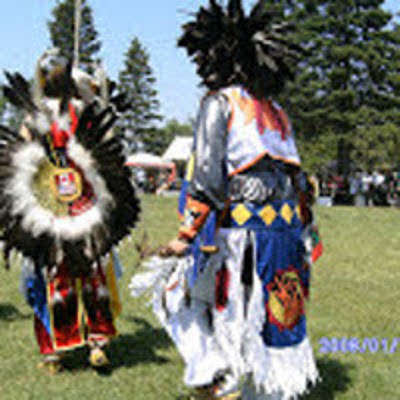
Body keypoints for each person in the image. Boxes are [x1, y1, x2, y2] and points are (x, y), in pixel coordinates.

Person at [130, 1, 322, 399]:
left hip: (238, 234)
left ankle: (217, 378)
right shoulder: (279, 112)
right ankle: (264, 390)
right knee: (266, 314)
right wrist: (307, 235)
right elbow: (300, 181)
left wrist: (186, 235)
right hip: (284, 235)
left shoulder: (220, 103)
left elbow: (207, 179)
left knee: (180, 298)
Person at [1, 49, 139, 373]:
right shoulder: (86, 112)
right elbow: (110, 154)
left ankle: (54, 352)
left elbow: (19, 155)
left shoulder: (36, 117)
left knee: (51, 270)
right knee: (91, 269)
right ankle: (97, 341)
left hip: (46, 203)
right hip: (86, 203)